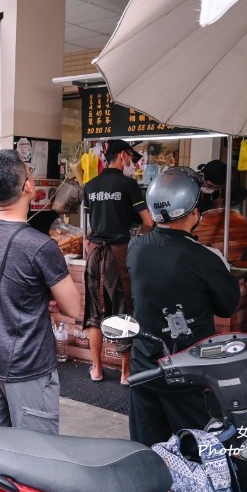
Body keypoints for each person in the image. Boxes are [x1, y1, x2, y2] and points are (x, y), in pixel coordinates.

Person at [127, 166, 240, 446]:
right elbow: (227, 306)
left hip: (143, 367)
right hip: (185, 370)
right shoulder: (206, 258)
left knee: (148, 449)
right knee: (193, 449)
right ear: (193, 211)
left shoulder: (136, 247)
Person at [0, 149, 81, 434]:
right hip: (29, 364)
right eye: (29, 172)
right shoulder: (41, 246)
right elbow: (74, 308)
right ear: (27, 187)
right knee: (38, 456)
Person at [83, 139, 154, 385]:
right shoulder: (129, 185)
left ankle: (97, 369)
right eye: (131, 159)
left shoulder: (90, 185)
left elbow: (90, 223)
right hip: (119, 252)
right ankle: (125, 373)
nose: (132, 164)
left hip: (94, 253)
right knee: (123, 309)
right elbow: (149, 221)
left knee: (94, 311)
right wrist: (138, 238)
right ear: (122, 155)